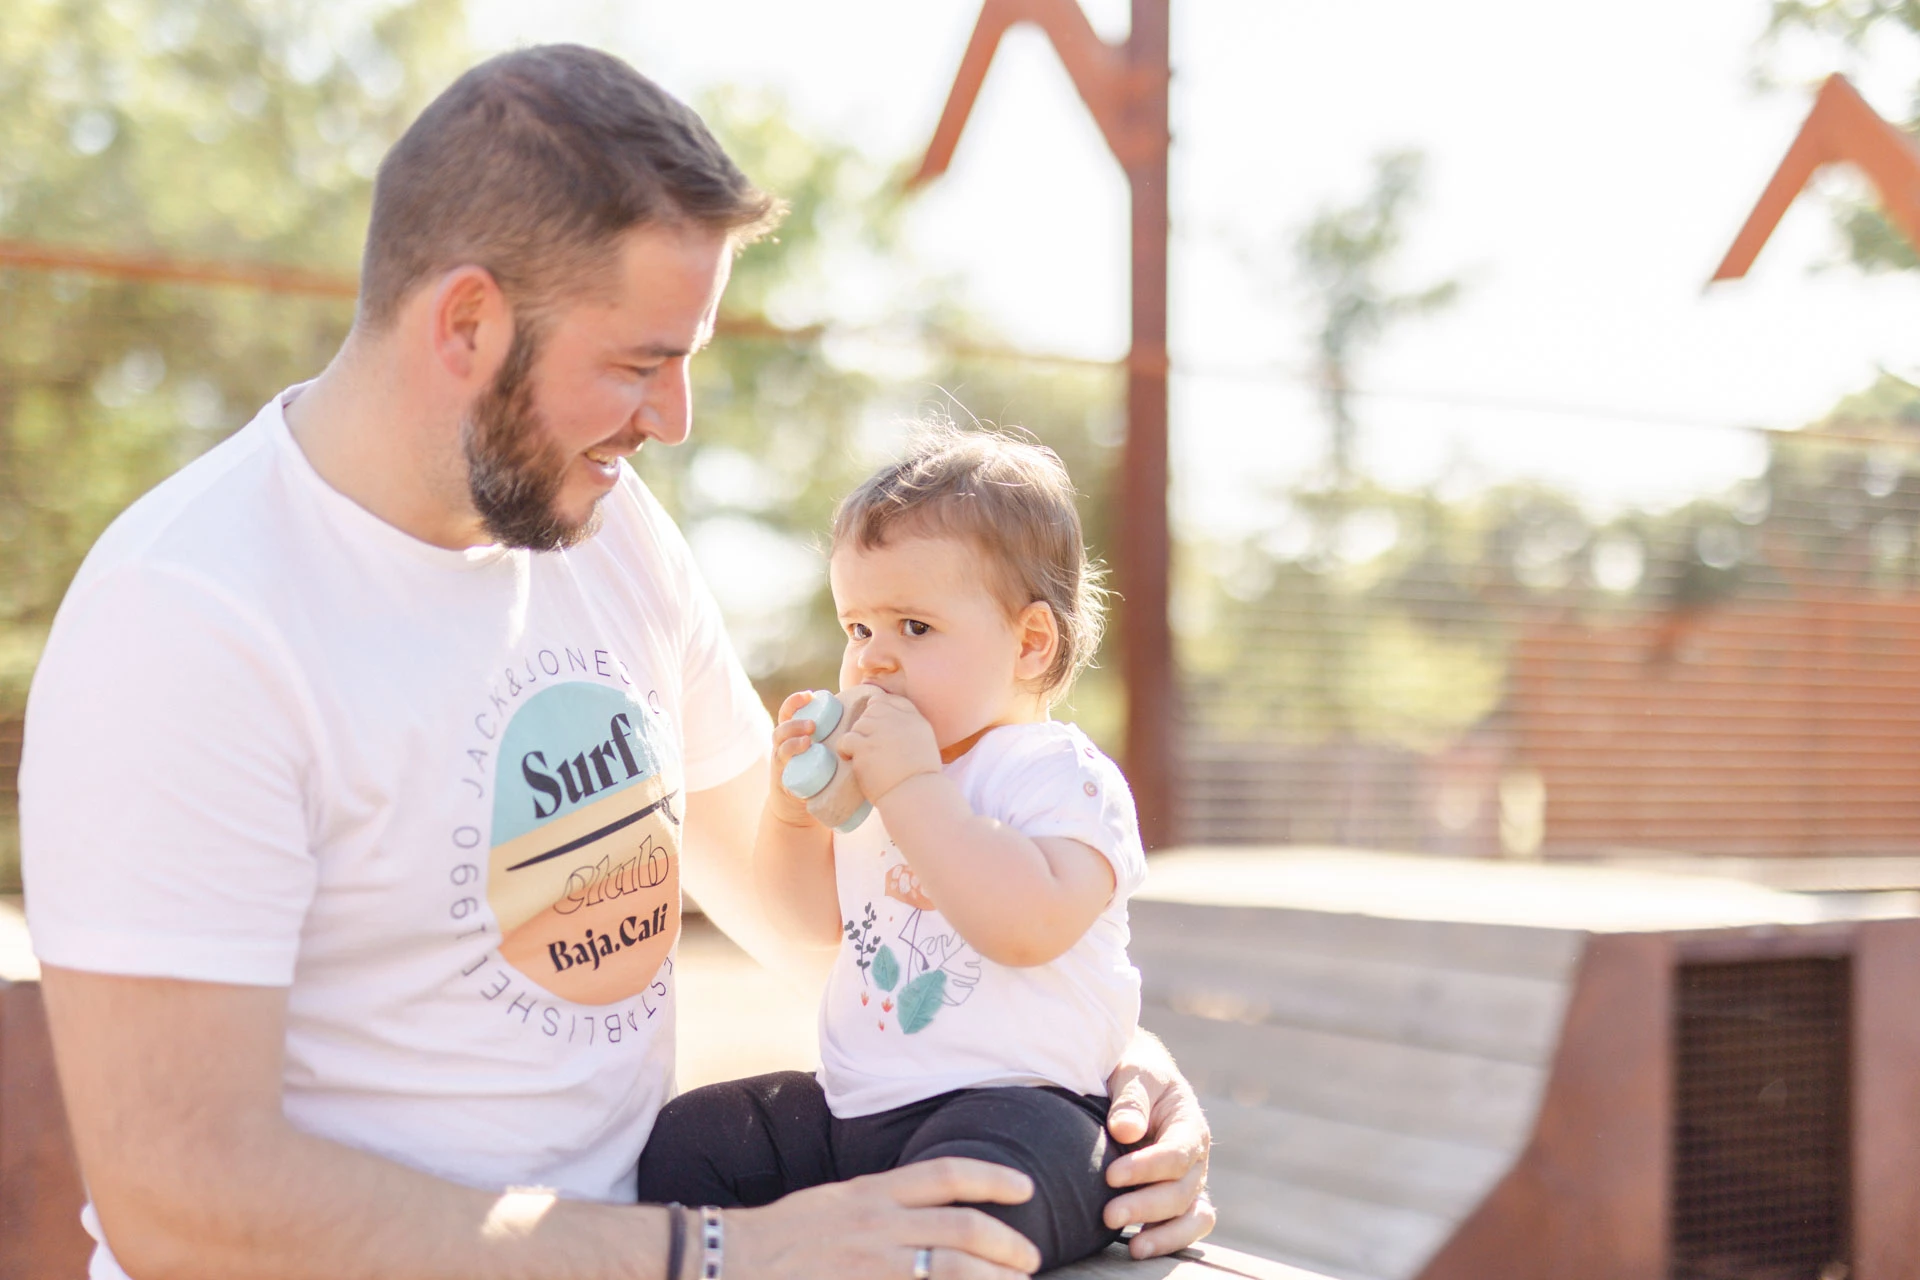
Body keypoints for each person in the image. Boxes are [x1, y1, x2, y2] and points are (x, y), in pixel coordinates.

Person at [18, 43, 1213, 1280]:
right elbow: (183, 1198)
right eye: (641, 364)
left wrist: (1092, 1076)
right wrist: (718, 1250)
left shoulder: (608, 530)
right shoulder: (189, 615)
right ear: (467, 322)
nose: (674, 419)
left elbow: (822, 909)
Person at [636, 430, 1148, 1274]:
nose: (873, 659)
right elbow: (806, 921)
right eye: (858, 626)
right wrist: (793, 812)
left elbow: (1025, 926)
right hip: (857, 1115)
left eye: (914, 626)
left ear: (1030, 643)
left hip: (1023, 1113)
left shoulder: (1060, 776)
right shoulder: (883, 774)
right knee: (696, 1140)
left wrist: (911, 786)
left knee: (977, 1190)